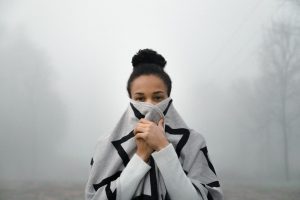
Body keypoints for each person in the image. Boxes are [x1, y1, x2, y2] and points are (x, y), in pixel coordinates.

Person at [85, 49, 224, 200]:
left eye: (158, 97)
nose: (150, 106)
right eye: (140, 99)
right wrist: (141, 156)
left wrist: (163, 148)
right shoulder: (107, 144)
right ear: (130, 99)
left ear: (169, 97)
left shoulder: (192, 142)